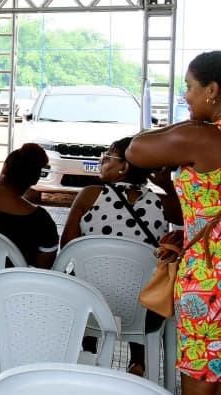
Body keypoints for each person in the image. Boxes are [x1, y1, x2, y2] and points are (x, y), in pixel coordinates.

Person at [125, 51, 221, 395]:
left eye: (190, 87)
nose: (186, 96)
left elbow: (136, 150)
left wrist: (193, 124)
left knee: (200, 382)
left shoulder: (205, 138)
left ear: (212, 90)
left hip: (211, 280)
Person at [61, 135, 176, 376]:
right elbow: (190, 217)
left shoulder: (90, 195)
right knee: (141, 280)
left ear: (124, 166)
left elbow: (68, 245)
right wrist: (167, 186)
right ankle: (139, 362)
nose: (102, 161)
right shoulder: (163, 203)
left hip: (89, 306)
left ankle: (88, 353)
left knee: (88, 277)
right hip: (145, 311)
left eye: (108, 156)